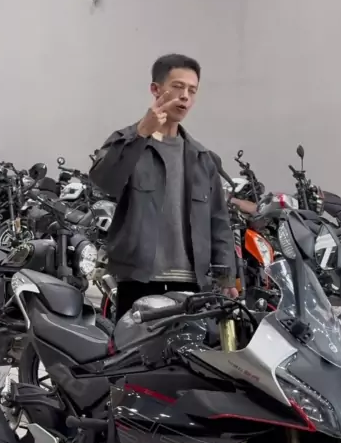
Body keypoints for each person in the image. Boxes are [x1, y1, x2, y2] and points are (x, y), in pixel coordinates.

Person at [90, 53, 238, 321]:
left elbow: (219, 222)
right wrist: (140, 133)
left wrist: (227, 278)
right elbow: (104, 181)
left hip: (192, 284)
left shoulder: (202, 158)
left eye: (192, 90)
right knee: (134, 347)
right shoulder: (128, 142)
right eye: (178, 87)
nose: (185, 97)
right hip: (139, 280)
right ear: (155, 89)